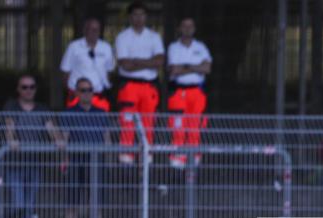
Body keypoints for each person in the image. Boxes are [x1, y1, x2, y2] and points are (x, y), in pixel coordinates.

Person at [3, 75, 65, 218]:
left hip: (33, 164)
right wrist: (12, 140)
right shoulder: (12, 107)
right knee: (18, 204)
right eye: (24, 87)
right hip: (14, 165)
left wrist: (58, 140)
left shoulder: (41, 109)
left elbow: (52, 129)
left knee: (28, 207)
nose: (28, 90)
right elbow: (9, 128)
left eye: (31, 87)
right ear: (18, 89)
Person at [114, 1, 164, 164]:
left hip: (149, 86)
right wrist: (148, 62)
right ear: (130, 17)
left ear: (146, 17)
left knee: (148, 123)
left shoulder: (154, 36)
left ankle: (146, 157)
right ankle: (126, 159)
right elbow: (125, 65)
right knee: (127, 122)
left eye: (142, 15)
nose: (139, 18)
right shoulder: (122, 37)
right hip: (129, 86)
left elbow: (159, 61)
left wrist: (137, 61)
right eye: (135, 15)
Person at [60, 78, 111, 218]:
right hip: (76, 161)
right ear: (76, 92)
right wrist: (64, 160)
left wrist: (108, 161)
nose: (86, 93)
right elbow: (64, 139)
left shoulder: (101, 113)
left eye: (89, 90)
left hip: (96, 163)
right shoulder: (68, 113)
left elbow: (107, 138)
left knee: (96, 204)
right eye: (83, 90)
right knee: (72, 204)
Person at [166, 17, 212, 168]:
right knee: (178, 128)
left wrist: (185, 66)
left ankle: (193, 164)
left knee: (195, 129)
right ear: (179, 28)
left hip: (197, 92)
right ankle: (177, 164)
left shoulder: (201, 47)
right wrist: (195, 67)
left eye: (190, 25)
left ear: (194, 28)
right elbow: (174, 70)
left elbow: (207, 68)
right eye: (184, 25)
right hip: (179, 92)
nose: (187, 28)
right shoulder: (174, 47)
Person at [60, 17, 114, 112]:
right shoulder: (74, 46)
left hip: (98, 95)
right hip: (77, 96)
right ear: (85, 30)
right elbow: (65, 72)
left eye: (97, 29)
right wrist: (71, 91)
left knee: (100, 124)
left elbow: (109, 72)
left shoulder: (106, 47)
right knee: (73, 124)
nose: (94, 32)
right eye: (91, 29)